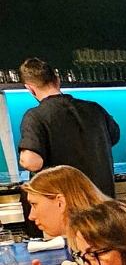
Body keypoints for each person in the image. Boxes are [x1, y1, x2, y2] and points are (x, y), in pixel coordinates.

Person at [17, 57, 120, 196]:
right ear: (57, 80)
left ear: (30, 89)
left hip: (67, 201)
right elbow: (114, 137)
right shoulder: (95, 109)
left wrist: (24, 157)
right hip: (102, 199)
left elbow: (32, 162)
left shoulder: (35, 116)